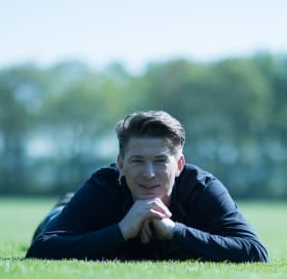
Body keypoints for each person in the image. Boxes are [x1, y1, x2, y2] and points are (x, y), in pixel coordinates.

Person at [25, 110, 268, 263]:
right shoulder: (102, 185)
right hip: (67, 212)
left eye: (160, 161)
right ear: (121, 164)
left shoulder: (202, 188)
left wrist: (175, 231)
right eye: (137, 161)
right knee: (58, 217)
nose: (149, 173)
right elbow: (42, 248)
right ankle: (66, 202)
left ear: (179, 165)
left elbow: (255, 251)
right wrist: (122, 230)